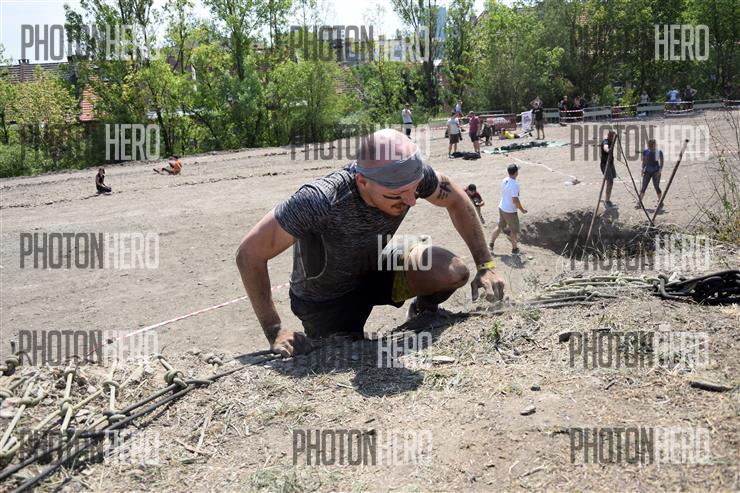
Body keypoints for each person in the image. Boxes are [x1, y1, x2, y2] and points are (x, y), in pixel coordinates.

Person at [235, 129, 505, 357]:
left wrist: (486, 265)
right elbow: (249, 254)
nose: (412, 201)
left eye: (414, 190)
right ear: (363, 182)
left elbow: (456, 198)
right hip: (326, 299)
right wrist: (274, 329)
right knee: (350, 351)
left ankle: (423, 311)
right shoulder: (319, 200)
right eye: (398, 195)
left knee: (453, 271)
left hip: (377, 265)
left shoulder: (409, 178)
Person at [489, 164, 527, 255]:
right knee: (514, 231)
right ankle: (514, 250)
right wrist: (522, 209)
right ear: (516, 172)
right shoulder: (514, 184)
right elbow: (515, 200)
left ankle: (491, 244)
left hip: (502, 207)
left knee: (499, 227)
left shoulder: (505, 180)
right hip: (510, 211)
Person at [639, 139, 664, 208]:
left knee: (656, 187)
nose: (650, 146)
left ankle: (660, 201)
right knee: (643, 187)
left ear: (654, 144)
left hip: (656, 171)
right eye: (650, 145)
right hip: (647, 171)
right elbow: (644, 161)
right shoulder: (646, 151)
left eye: (652, 144)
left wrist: (660, 171)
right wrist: (642, 169)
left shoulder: (659, 152)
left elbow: (662, 162)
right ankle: (640, 202)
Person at [600, 131, 618, 208]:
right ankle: (607, 201)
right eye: (611, 136)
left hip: (610, 164)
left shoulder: (612, 142)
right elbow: (605, 147)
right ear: (608, 136)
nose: (612, 138)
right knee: (609, 181)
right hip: (605, 165)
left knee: (611, 182)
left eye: (613, 137)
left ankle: (608, 199)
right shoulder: (606, 141)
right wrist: (608, 150)